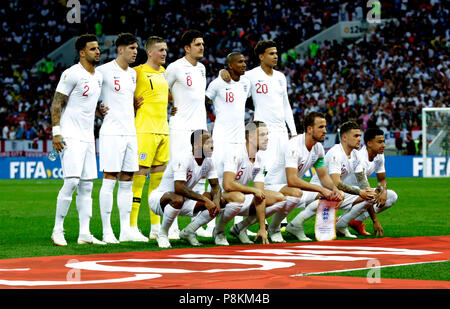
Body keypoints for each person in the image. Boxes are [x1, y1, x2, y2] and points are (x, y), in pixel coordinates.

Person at [220, 40, 297, 230]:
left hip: (282, 132)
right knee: (265, 172)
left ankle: (278, 214)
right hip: (264, 131)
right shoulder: (251, 76)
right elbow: (236, 90)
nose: (276, 56)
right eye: (271, 53)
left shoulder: (280, 77)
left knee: (280, 173)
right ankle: (242, 214)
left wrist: (293, 131)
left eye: (276, 53)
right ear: (261, 56)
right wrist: (224, 76)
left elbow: (286, 104)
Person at [50, 34, 104, 246]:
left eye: (98, 48)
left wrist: (101, 112)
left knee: (87, 185)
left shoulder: (97, 76)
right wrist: (56, 132)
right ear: (82, 53)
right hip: (70, 134)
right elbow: (57, 103)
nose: (97, 51)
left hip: (88, 137)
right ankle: (57, 230)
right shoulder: (72, 73)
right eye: (92, 49)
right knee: (71, 181)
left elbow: (88, 106)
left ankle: (84, 233)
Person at [148, 130, 242, 248]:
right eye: (207, 143)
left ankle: (188, 232)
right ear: (196, 145)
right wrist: (205, 200)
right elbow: (179, 188)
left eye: (212, 142)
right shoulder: (183, 158)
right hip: (160, 199)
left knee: (220, 201)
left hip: (185, 200)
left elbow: (215, 186)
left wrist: (216, 201)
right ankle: (163, 235)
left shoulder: (209, 161)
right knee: (179, 198)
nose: (212, 146)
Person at [264, 111, 344, 242]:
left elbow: (323, 176)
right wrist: (321, 189)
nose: (325, 130)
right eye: (321, 127)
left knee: (331, 195)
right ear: (309, 129)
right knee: (296, 193)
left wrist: (334, 189)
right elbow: (292, 179)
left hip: (291, 190)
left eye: (325, 127)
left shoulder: (318, 148)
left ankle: (295, 225)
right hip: (272, 187)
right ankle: (274, 228)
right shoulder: (293, 146)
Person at [293, 121, 376, 240]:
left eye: (359, 136)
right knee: (337, 194)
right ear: (344, 137)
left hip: (333, 190)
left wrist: (367, 191)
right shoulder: (336, 153)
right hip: (317, 189)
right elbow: (336, 183)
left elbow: (361, 178)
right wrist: (359, 192)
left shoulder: (356, 155)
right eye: (355, 136)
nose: (359, 139)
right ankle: (295, 224)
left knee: (370, 196)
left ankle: (341, 225)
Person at [96, 33, 143, 243]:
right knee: (110, 178)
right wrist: (98, 110)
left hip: (130, 132)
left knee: (127, 180)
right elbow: (90, 98)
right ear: (120, 49)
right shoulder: (103, 71)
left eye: (136, 48)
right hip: (112, 132)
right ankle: (107, 230)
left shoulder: (133, 74)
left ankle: (125, 230)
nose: (135, 52)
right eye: (132, 48)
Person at [218, 121, 295, 245]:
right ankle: (218, 231)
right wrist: (253, 191)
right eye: (263, 135)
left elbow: (260, 193)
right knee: (240, 196)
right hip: (220, 196)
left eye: (267, 134)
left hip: (241, 197)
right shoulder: (235, 152)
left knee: (279, 198)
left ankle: (240, 228)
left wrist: (262, 228)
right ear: (251, 137)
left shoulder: (259, 159)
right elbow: (227, 185)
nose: (267, 138)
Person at [130, 36, 175, 241]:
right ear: (149, 52)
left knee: (158, 183)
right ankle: (131, 226)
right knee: (139, 179)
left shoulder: (165, 73)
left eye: (165, 50)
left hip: (164, 131)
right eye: (160, 50)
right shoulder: (137, 72)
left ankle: (155, 227)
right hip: (145, 131)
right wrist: (131, 104)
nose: (164, 53)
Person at [165, 30, 208, 238]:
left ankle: (194, 226)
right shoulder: (174, 67)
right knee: (177, 172)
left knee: (200, 175)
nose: (202, 47)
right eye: (197, 44)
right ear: (187, 48)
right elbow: (160, 91)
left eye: (202, 43)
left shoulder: (202, 69)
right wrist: (167, 108)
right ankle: (170, 224)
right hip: (181, 127)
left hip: (200, 128)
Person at [204, 51, 250, 237]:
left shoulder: (247, 83)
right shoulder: (217, 83)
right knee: (215, 178)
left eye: (245, 61)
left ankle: (236, 224)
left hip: (239, 139)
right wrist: (220, 73)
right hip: (221, 138)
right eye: (240, 62)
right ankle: (208, 222)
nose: (244, 64)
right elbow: (205, 99)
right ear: (230, 65)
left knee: (238, 180)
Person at [346, 128, 398, 236]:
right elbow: (367, 192)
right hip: (346, 193)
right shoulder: (360, 159)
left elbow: (382, 179)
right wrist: (375, 221)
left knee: (391, 196)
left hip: (360, 192)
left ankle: (356, 221)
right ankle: (342, 221)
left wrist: (383, 191)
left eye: (383, 141)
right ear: (369, 143)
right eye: (379, 142)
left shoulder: (379, 155)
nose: (383, 145)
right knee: (370, 196)